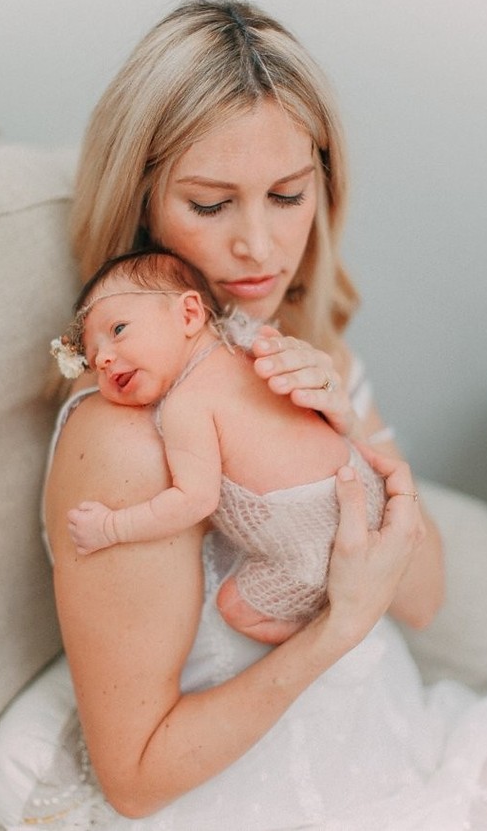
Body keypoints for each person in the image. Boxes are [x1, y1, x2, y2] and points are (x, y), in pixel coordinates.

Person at [0, 0, 487, 831]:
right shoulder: (125, 427)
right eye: (212, 205)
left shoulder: (307, 352)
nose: (258, 246)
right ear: (144, 203)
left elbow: (426, 596)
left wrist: (344, 431)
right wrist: (332, 632)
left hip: (386, 729)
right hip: (233, 788)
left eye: (288, 194)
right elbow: (136, 777)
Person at [52, 247, 387, 644]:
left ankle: (322, 631)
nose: (105, 359)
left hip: (311, 550)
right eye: (93, 358)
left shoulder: (185, 404)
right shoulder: (249, 342)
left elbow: (195, 500)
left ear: (189, 314)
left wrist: (111, 527)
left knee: (236, 607)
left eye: (119, 330)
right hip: (364, 487)